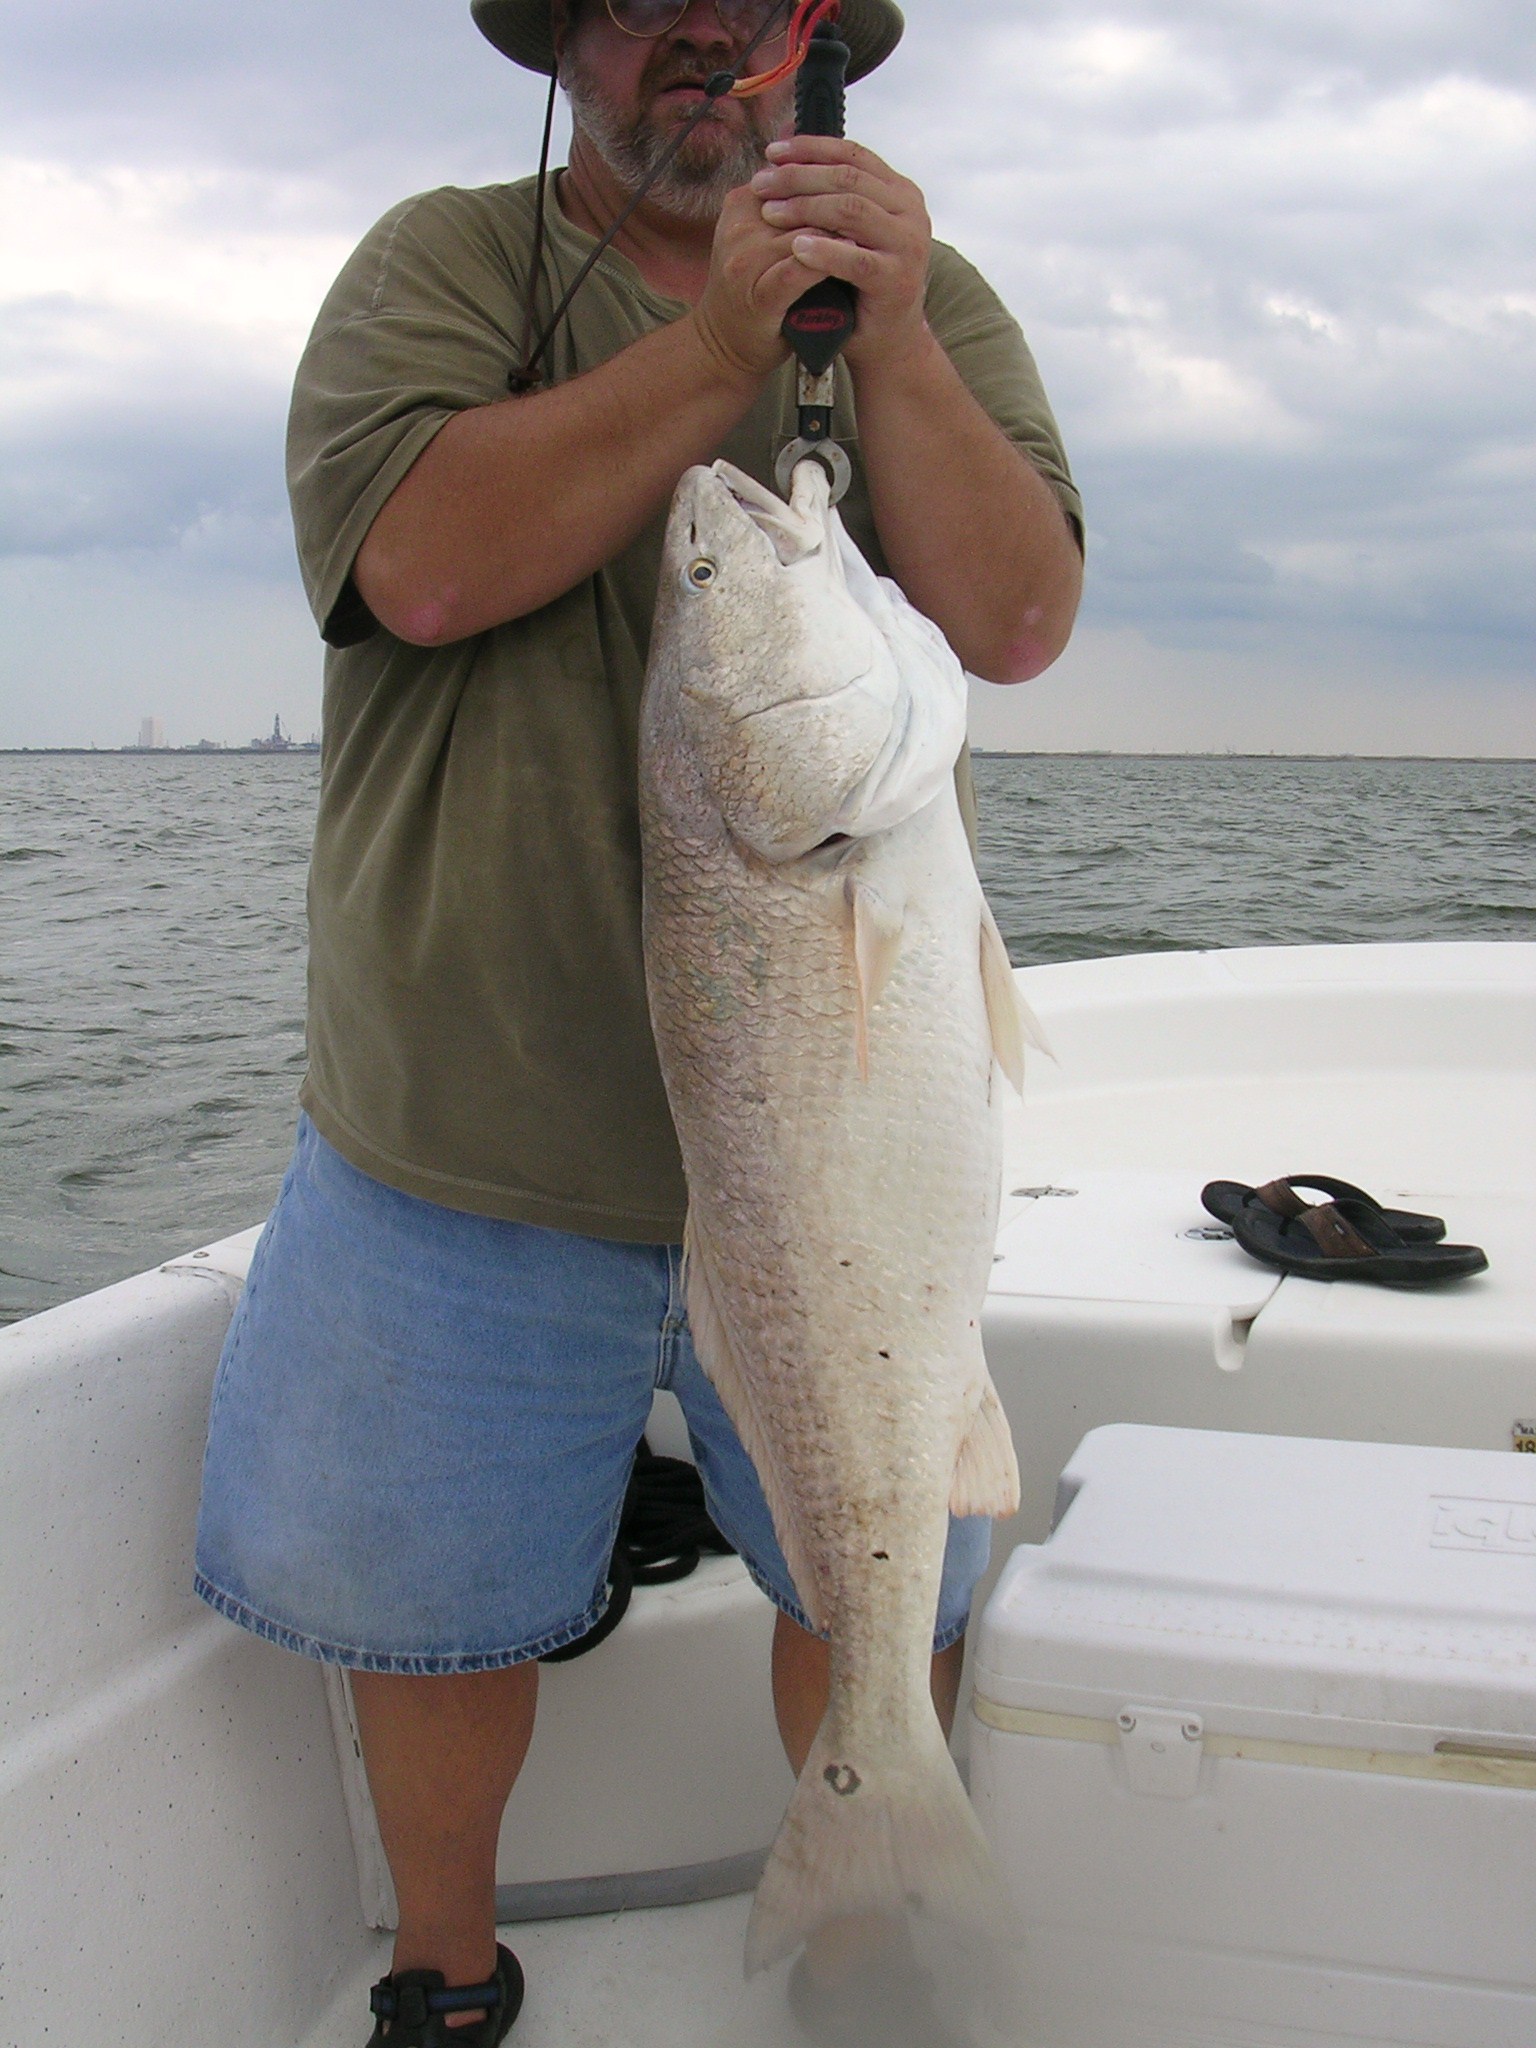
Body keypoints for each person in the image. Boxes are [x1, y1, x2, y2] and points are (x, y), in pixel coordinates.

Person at [193, 1, 1083, 2042]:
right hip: (471, 1128)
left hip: (835, 1142)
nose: (698, 39)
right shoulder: (445, 265)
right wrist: (715, 360)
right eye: (637, 3)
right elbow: (413, 565)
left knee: (883, 1562)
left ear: (815, 49)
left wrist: (898, 330)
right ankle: (438, 1967)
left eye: (751, 8)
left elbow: (1017, 619)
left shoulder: (924, 304)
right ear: (567, 47)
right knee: (416, 1608)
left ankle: (864, 1906)